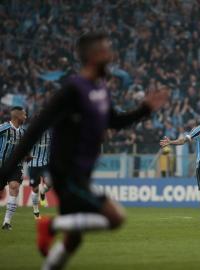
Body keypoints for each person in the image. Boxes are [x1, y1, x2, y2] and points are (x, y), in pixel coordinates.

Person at [0, 31, 168, 269]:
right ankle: (49, 226)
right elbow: (33, 132)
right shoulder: (72, 90)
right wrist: (3, 176)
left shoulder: (101, 89)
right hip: (67, 174)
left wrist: (144, 110)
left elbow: (115, 122)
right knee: (116, 217)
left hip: (82, 173)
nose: (110, 55)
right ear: (93, 56)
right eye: (105, 50)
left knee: (73, 240)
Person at [0, 106, 27, 230]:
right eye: (24, 115)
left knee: (14, 186)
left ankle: (6, 222)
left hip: (15, 166)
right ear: (18, 116)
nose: (26, 117)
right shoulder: (4, 128)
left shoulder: (23, 132)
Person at [29, 130, 52, 218]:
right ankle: (36, 211)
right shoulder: (33, 133)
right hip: (33, 164)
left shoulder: (50, 133)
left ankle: (42, 193)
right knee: (35, 189)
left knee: (50, 183)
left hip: (45, 164)